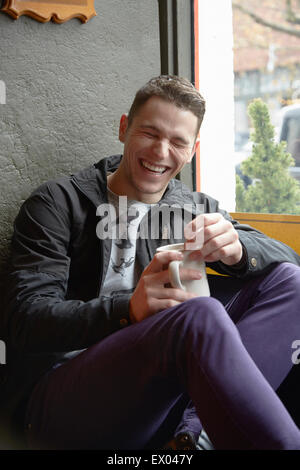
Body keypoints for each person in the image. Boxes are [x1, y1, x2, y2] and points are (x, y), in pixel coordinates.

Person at [2, 75, 300, 450]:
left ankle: (195, 438)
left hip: (160, 397)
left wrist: (238, 249)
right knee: (200, 313)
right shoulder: (57, 203)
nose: (161, 152)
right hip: (60, 400)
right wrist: (128, 309)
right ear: (124, 128)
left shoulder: (192, 205)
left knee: (291, 281)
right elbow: (24, 319)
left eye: (177, 141)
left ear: (191, 150)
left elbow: (288, 259)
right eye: (149, 133)